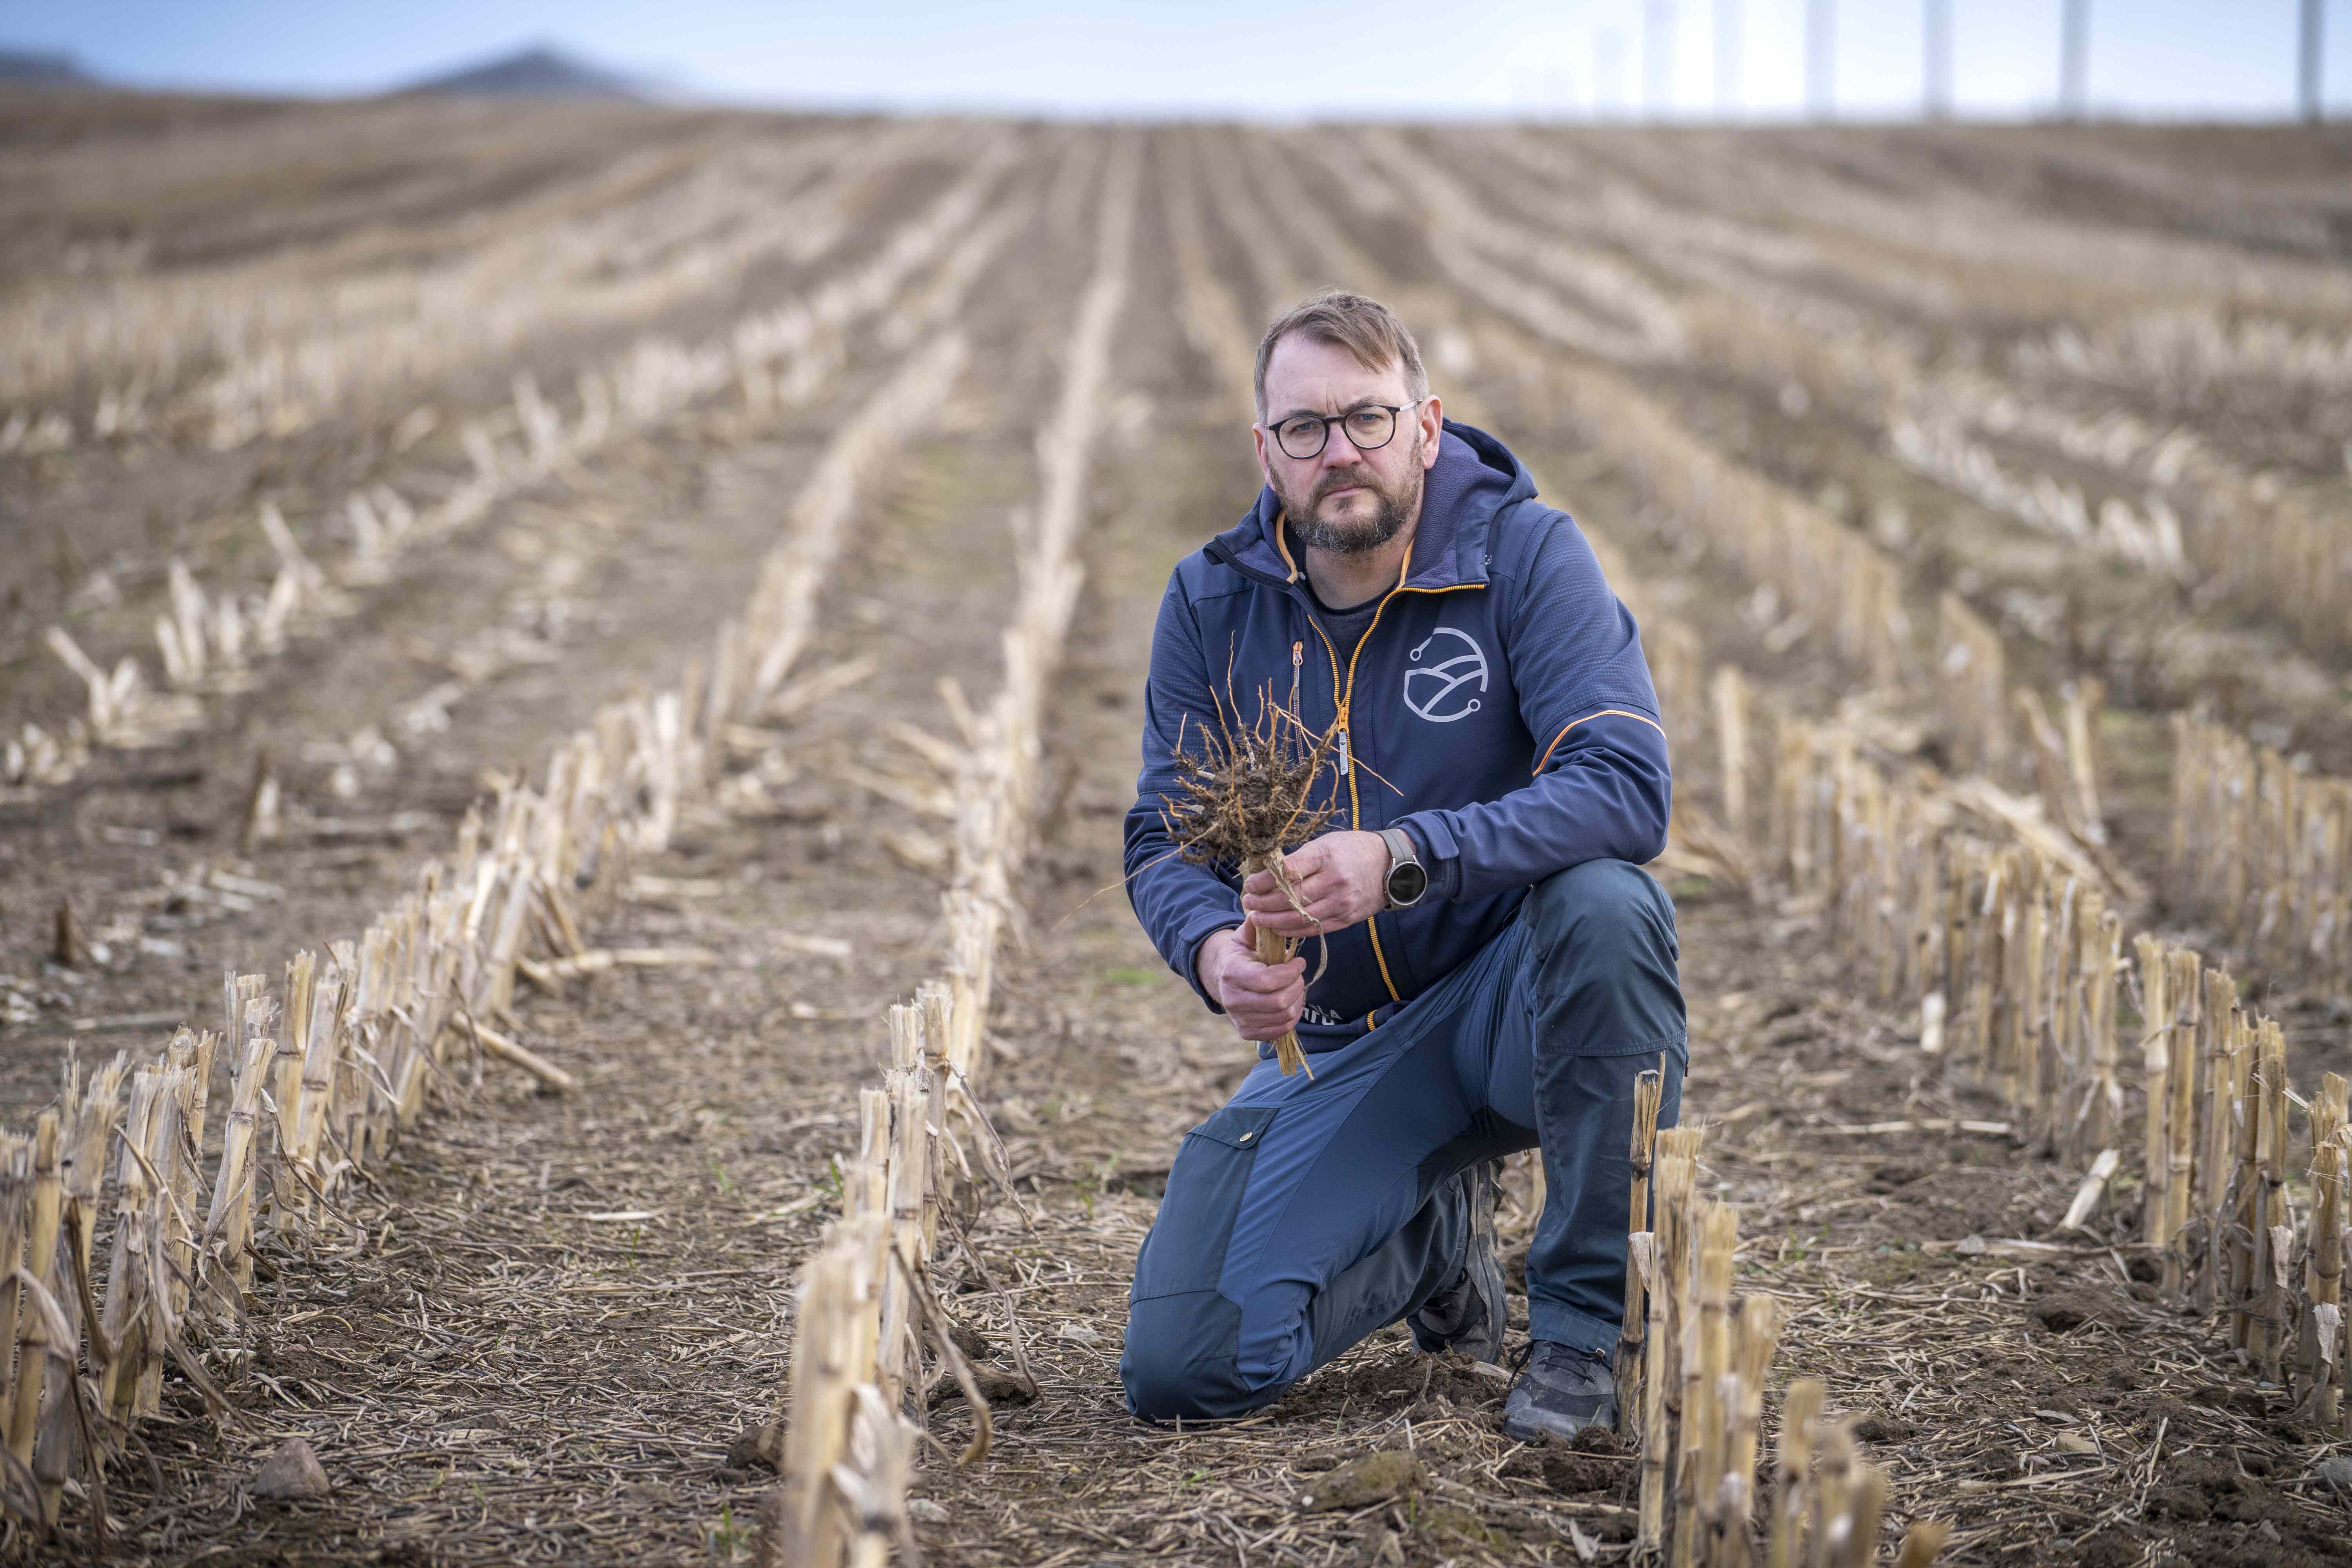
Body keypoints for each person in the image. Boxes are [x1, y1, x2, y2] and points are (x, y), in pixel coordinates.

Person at [1116, 290, 1686, 1441]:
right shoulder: (1212, 604)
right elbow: (1165, 838)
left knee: (1608, 905)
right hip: (1350, 1039)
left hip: (1519, 1004)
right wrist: (1215, 947)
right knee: (1187, 1367)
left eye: (1367, 419)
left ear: (1426, 427)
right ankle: (1432, 1238)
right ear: (1265, 451)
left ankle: (1584, 1330)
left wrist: (1409, 857)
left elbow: (1628, 786)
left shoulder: (1526, 556)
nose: (1341, 453)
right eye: (1305, 429)